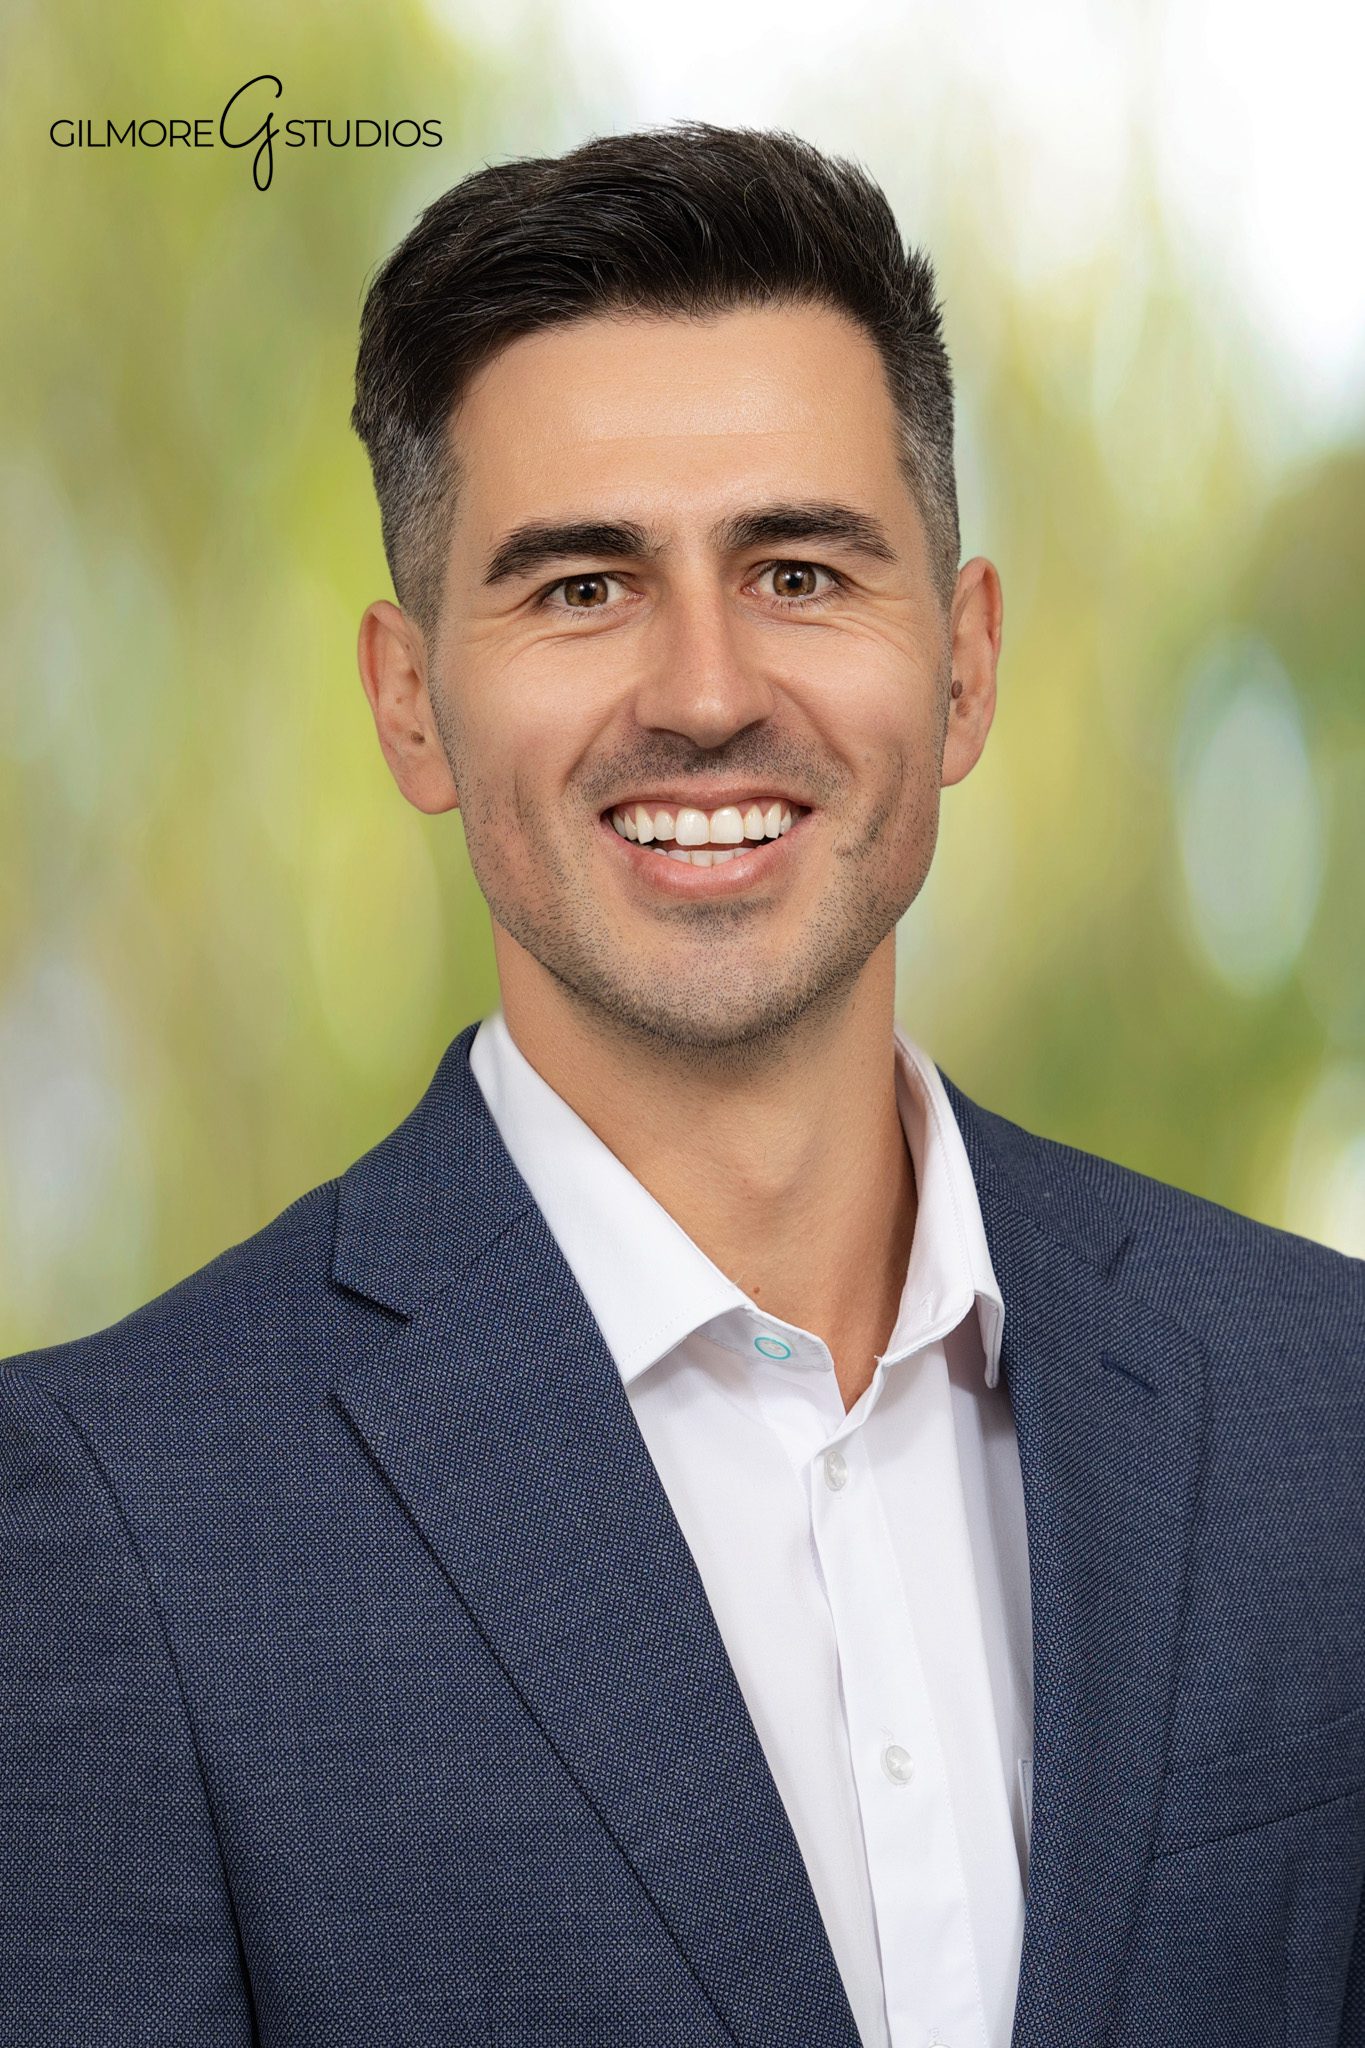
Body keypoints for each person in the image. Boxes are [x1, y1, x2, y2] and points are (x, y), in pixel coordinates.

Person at [2, 121, 1362, 2048]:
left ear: (961, 666)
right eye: (579, 589)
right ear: (410, 700)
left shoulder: (1325, 1406)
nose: (705, 689)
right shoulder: (116, 1524)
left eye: (800, 569)